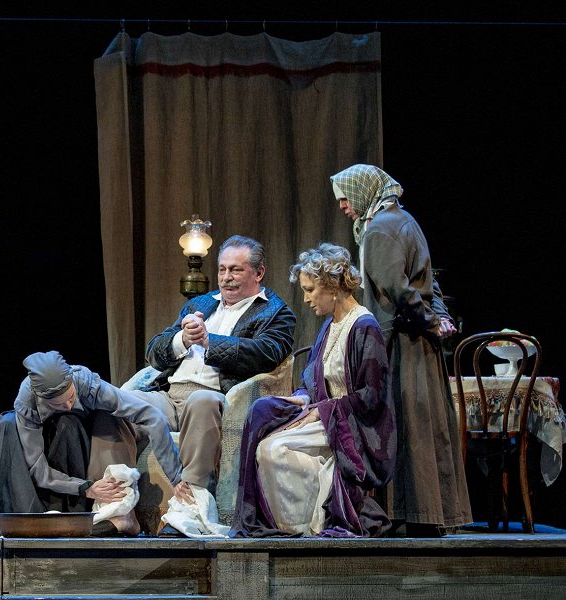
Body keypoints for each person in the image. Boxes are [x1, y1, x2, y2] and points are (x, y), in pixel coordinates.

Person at [329, 164, 471, 537]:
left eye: (345, 197)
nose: (342, 206)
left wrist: (430, 319)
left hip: (398, 345)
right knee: (422, 425)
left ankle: (405, 512)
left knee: (401, 425)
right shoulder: (404, 221)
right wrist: (437, 318)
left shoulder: (380, 229)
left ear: (363, 192)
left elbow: (398, 290)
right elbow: (427, 283)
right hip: (417, 341)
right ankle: (428, 513)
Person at [233, 243, 395, 537]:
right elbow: (314, 381)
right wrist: (300, 398)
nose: (306, 299)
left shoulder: (364, 326)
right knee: (264, 433)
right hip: (326, 418)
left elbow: (372, 396)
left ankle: (313, 520)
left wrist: (324, 411)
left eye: (310, 290)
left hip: (352, 427)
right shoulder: (329, 326)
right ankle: (299, 520)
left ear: (332, 286)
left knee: (274, 450)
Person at [142, 235, 296, 528]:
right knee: (123, 406)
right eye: (223, 269)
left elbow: (266, 353)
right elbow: (154, 351)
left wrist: (209, 341)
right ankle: (115, 501)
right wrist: (182, 339)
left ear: (259, 273)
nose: (226, 278)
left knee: (201, 401)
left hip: (215, 397)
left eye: (236, 270)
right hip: (169, 395)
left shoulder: (275, 313)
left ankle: (192, 508)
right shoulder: (201, 303)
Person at [0, 350, 182, 537]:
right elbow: (38, 468)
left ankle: (88, 514)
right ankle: (30, 519)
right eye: (58, 404)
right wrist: (85, 488)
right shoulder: (27, 401)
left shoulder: (85, 382)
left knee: (70, 421)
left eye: (71, 397)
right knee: (7, 424)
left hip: (82, 435)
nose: (68, 405)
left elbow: (151, 416)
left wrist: (176, 478)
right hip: (50, 442)